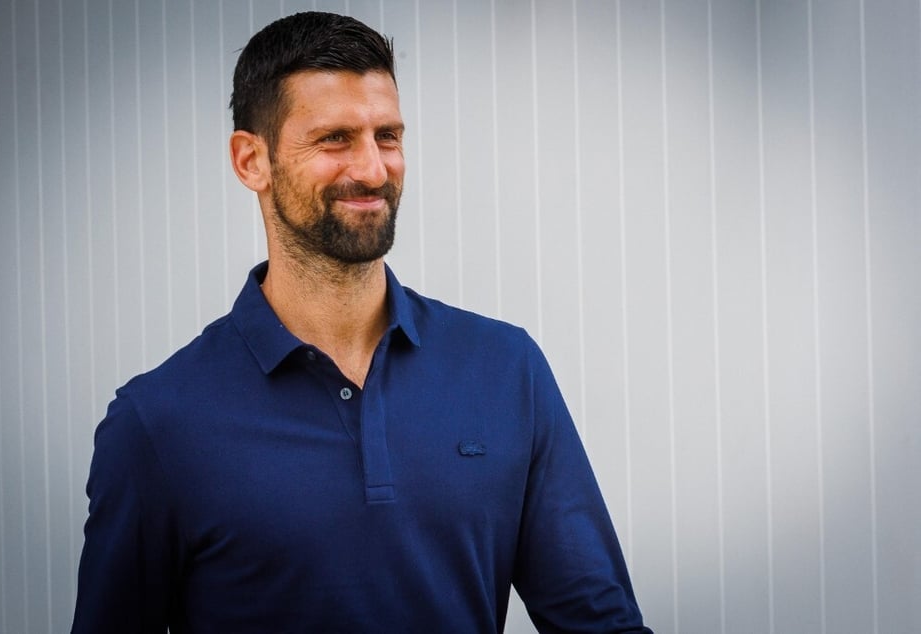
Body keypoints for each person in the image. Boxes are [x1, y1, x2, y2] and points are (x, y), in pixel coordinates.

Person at [72, 11, 651, 634]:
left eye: (388, 136)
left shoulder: (506, 369)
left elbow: (599, 623)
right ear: (251, 161)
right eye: (334, 139)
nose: (374, 169)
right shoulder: (157, 423)